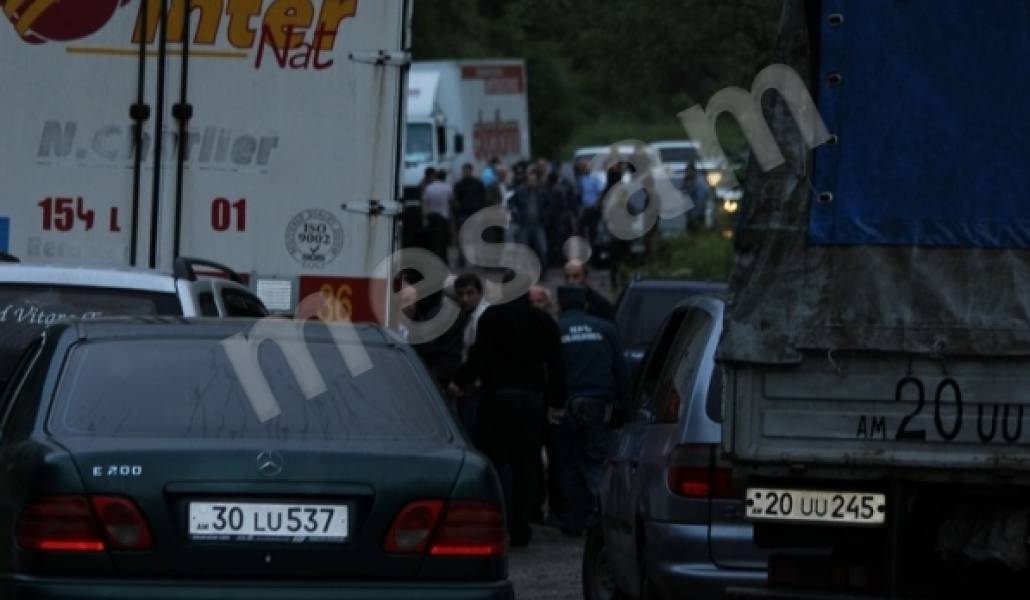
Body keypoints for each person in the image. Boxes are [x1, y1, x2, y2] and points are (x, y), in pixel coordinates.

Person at [451, 280, 567, 547]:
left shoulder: (492, 318)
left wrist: (460, 381)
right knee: (527, 464)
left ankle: (499, 516)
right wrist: (556, 400)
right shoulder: (543, 322)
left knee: (496, 460)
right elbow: (557, 365)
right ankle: (521, 523)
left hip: (498, 399)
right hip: (531, 402)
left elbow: (478, 357)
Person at [554, 285, 629, 536]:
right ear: (585, 304)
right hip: (600, 406)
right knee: (597, 463)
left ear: (560, 304)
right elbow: (621, 371)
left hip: (567, 406)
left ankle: (575, 521)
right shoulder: (606, 329)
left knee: (569, 466)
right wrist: (626, 407)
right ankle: (606, 518)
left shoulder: (557, 329)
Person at [453, 273, 489, 440]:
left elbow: (477, 356)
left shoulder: (481, 318)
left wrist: (461, 382)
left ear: (480, 293)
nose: (465, 299)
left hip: (476, 387)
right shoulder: (470, 316)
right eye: (461, 294)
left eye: (470, 293)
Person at [509, 169, 552, 268]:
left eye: (534, 180)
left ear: (537, 181)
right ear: (527, 181)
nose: (532, 182)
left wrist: (545, 216)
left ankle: (543, 271)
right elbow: (510, 203)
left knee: (542, 249)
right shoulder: (520, 191)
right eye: (530, 180)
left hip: (538, 225)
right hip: (524, 225)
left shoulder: (542, 192)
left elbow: (549, 205)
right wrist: (516, 214)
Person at [421, 170, 454, 264]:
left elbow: (425, 203)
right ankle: (444, 260)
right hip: (444, 217)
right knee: (443, 241)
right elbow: (451, 202)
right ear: (445, 177)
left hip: (431, 216)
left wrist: (424, 217)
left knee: (433, 240)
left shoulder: (429, 188)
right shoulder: (448, 188)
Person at [454, 163, 487, 237]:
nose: (466, 173)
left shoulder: (478, 183)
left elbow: (483, 197)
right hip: (464, 213)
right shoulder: (459, 185)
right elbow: (456, 199)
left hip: (476, 211)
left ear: (471, 171)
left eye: (467, 171)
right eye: (464, 171)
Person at [681, 162, 713, 231]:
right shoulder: (687, 180)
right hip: (690, 211)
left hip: (699, 210)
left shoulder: (699, 182)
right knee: (691, 228)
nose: (688, 173)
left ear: (693, 171)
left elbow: (703, 195)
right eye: (687, 171)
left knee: (698, 228)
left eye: (689, 171)